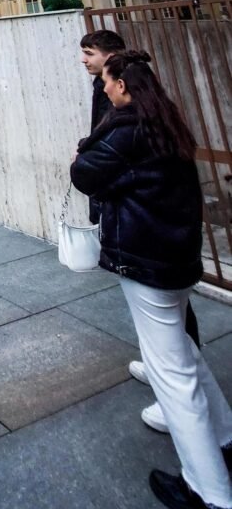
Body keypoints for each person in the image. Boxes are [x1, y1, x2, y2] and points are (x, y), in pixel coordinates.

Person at [71, 50, 232, 509]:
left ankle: (210, 490)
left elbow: (85, 175)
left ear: (123, 84)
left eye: (106, 79)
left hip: (147, 259)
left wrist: (84, 153)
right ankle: (224, 437)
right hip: (176, 255)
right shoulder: (166, 121)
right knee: (185, 355)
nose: (102, 87)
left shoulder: (126, 130)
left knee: (172, 375)